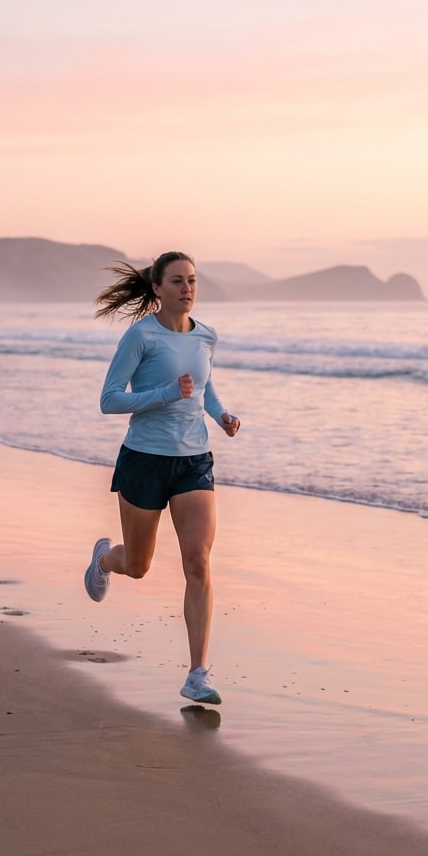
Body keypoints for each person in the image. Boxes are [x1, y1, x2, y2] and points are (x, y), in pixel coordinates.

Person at [84, 251, 240, 705]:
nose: (187, 289)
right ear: (157, 288)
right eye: (177, 281)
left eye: (192, 280)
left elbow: (205, 387)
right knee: (138, 566)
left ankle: (197, 673)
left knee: (198, 562)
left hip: (194, 461)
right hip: (145, 460)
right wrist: (167, 393)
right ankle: (103, 560)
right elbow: (110, 400)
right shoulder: (140, 337)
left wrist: (222, 414)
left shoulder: (207, 336)